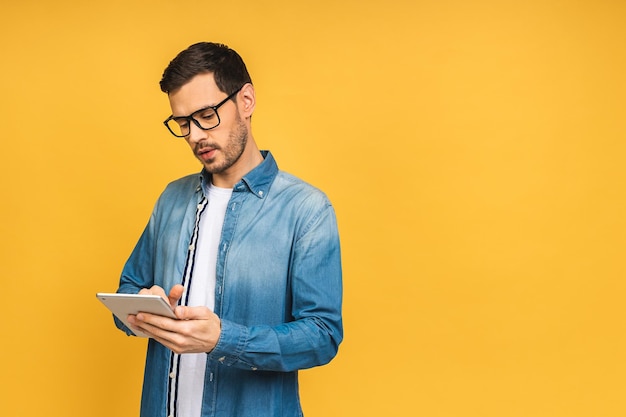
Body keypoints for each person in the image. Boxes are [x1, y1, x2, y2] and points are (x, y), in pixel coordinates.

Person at [113, 42, 343, 417]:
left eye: (206, 115)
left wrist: (224, 340)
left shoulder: (306, 210)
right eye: (183, 123)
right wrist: (145, 308)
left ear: (246, 101)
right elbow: (126, 289)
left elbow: (322, 336)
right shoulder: (172, 199)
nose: (194, 136)